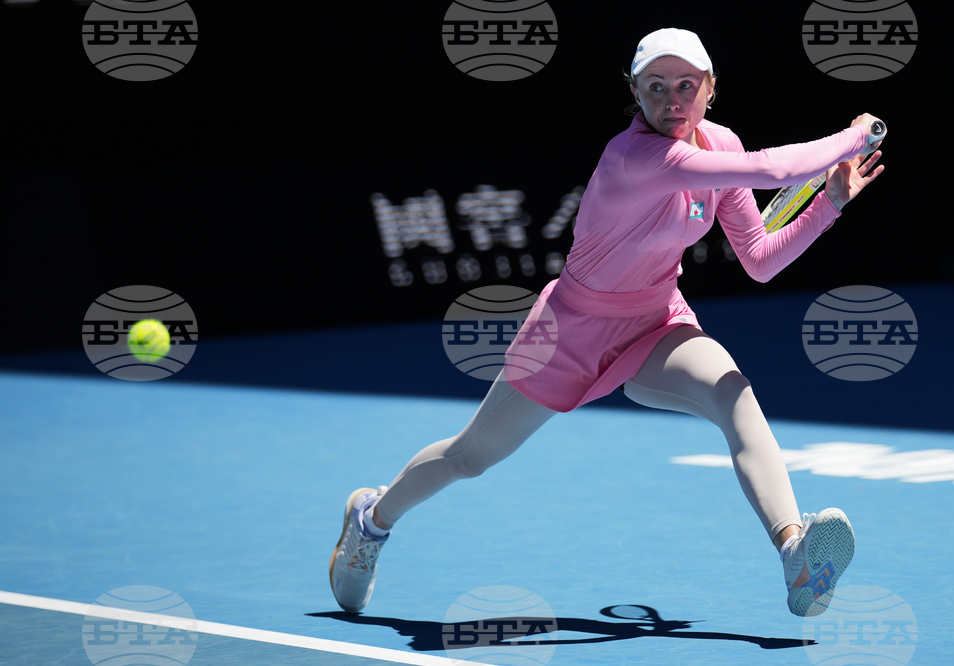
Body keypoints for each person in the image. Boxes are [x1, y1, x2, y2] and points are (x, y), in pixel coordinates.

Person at [331, 27, 885, 618]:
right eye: (655, 87)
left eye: (685, 85)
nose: (671, 98)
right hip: (569, 329)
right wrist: (856, 135)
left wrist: (830, 202)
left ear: (709, 89)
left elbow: (760, 261)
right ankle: (372, 519)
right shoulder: (639, 157)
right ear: (636, 94)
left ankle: (796, 557)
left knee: (735, 396)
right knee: (472, 456)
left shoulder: (721, 147)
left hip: (657, 319)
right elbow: (775, 171)